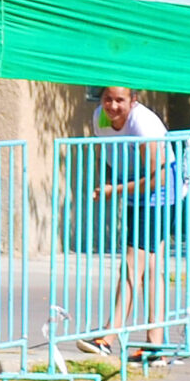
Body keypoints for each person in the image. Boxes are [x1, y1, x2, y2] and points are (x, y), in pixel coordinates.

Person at [78, 85, 178, 356]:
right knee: (152, 267)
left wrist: (115, 190)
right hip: (134, 188)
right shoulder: (100, 117)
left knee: (133, 263)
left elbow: (157, 178)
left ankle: (109, 336)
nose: (112, 106)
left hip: (159, 193)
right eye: (107, 99)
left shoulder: (143, 124)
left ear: (133, 100)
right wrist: (108, 182)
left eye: (119, 100)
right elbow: (108, 154)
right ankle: (155, 345)